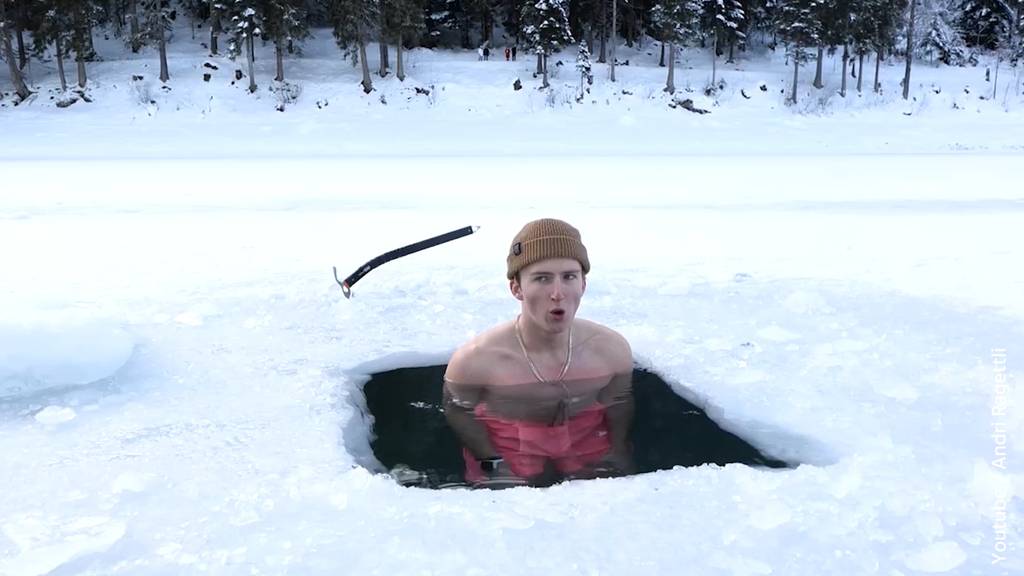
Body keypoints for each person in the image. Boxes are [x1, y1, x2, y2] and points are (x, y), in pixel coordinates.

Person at [443, 219, 635, 489]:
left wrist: (618, 448)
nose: (558, 293)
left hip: (583, 433)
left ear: (583, 284)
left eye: (569, 277)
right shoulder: (476, 361)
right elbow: (459, 411)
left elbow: (618, 402)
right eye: (542, 278)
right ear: (516, 288)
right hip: (508, 438)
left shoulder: (611, 350)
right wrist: (491, 459)